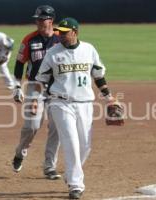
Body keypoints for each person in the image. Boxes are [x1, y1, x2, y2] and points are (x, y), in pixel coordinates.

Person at [33, 17, 115, 199]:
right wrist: (36, 100)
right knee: (70, 141)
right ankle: (76, 185)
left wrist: (109, 98)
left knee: (85, 145)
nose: (60, 35)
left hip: (85, 103)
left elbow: (98, 76)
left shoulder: (89, 49)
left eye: (64, 32)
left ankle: (71, 175)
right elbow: (41, 80)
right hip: (60, 103)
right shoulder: (53, 53)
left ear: (75, 32)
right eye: (59, 32)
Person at [11, 5, 61, 180]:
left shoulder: (60, 39)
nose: (39, 22)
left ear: (51, 20)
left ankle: (50, 166)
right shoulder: (29, 40)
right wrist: (17, 87)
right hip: (35, 87)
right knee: (31, 126)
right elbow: (19, 64)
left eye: (42, 19)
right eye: (37, 19)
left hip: (57, 88)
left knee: (56, 127)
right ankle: (20, 151)